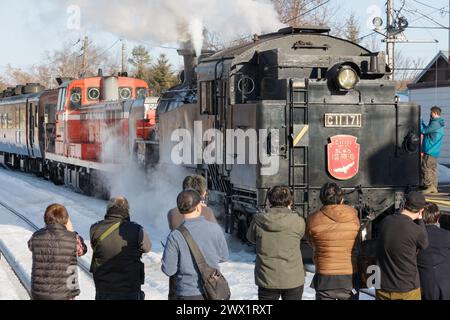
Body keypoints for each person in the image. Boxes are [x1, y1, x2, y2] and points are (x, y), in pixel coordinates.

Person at [161, 189, 229, 300]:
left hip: (187, 293)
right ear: (198, 207)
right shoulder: (215, 229)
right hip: (213, 291)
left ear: (180, 209)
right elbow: (224, 257)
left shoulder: (175, 236)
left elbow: (169, 270)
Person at [246, 186, 306, 300]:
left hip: (267, 278)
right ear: (290, 202)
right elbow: (301, 235)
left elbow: (251, 238)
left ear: (269, 201)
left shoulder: (259, 220)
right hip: (293, 278)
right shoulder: (298, 221)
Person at [90, 196, 151, 300]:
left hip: (104, 290)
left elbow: (94, 246)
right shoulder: (137, 229)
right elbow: (147, 248)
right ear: (127, 210)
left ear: (108, 210)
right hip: (130, 290)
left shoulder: (95, 228)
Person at [307, 183, 360, 300]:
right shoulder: (354, 216)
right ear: (341, 198)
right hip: (349, 277)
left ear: (322, 199)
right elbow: (357, 242)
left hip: (325, 278)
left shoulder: (313, 219)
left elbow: (311, 242)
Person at [376, 191, 429, 300]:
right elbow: (425, 244)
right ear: (421, 210)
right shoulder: (416, 230)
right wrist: (420, 220)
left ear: (404, 204)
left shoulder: (385, 221)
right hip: (406, 289)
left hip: (382, 286)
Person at [28, 204, 87, 300]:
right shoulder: (73, 238)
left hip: (40, 294)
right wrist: (71, 230)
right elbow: (82, 251)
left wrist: (45, 229)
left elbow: (30, 247)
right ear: (66, 220)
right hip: (66, 294)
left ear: (45, 219)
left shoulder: (35, 236)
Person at [417, 203, 450, 300]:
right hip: (445, 283)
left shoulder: (414, 237)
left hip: (424, 284)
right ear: (438, 218)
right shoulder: (447, 235)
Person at [421, 106, 445, 194]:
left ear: (434, 113)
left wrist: (420, 121)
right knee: (432, 169)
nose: (430, 114)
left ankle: (429, 186)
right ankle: (434, 186)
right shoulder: (438, 123)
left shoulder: (435, 123)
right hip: (434, 150)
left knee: (426, 167)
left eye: (431, 113)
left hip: (430, 149)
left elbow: (423, 130)